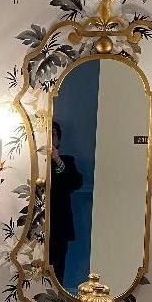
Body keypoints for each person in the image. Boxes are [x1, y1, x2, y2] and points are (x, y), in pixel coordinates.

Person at [49, 121, 83, 285]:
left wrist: (57, 159)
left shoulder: (67, 161)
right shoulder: (34, 163)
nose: (50, 137)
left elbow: (75, 183)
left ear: (59, 139)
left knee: (57, 267)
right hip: (37, 223)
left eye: (53, 133)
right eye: (47, 133)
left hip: (59, 224)